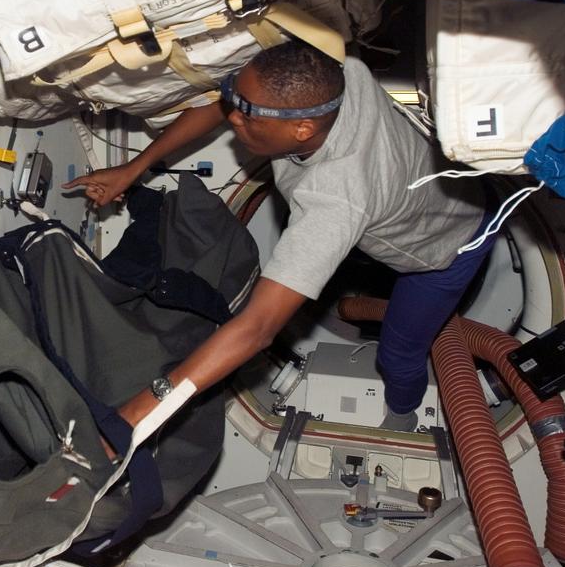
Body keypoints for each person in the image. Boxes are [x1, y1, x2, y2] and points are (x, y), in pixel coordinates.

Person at [64, 38, 493, 433]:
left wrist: (135, 415)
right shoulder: (340, 70)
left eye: (247, 116)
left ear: (302, 129)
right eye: (237, 100)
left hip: (453, 246)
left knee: (398, 355)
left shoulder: (336, 199)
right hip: (432, 185)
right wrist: (134, 168)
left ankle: (403, 416)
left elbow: (258, 328)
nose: (232, 116)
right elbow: (224, 105)